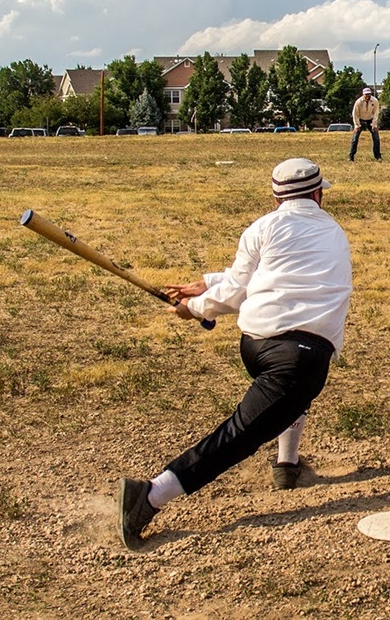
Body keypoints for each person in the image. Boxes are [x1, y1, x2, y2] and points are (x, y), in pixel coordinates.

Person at [116, 158, 352, 549]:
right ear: (318, 194)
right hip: (301, 356)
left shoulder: (261, 227)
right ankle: (151, 495)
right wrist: (200, 298)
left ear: (275, 199)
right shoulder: (334, 232)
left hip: (256, 344)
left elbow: (240, 285)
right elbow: (255, 281)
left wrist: (198, 297)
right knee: (242, 433)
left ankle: (287, 464)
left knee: (288, 397)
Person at [349, 87, 382, 161]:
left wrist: (374, 125)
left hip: (370, 119)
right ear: (363, 94)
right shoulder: (358, 102)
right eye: (366, 94)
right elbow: (355, 114)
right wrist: (357, 125)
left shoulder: (374, 101)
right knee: (355, 139)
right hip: (360, 119)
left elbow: (376, 113)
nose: (367, 96)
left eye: (369, 94)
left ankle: (378, 156)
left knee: (376, 138)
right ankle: (351, 156)